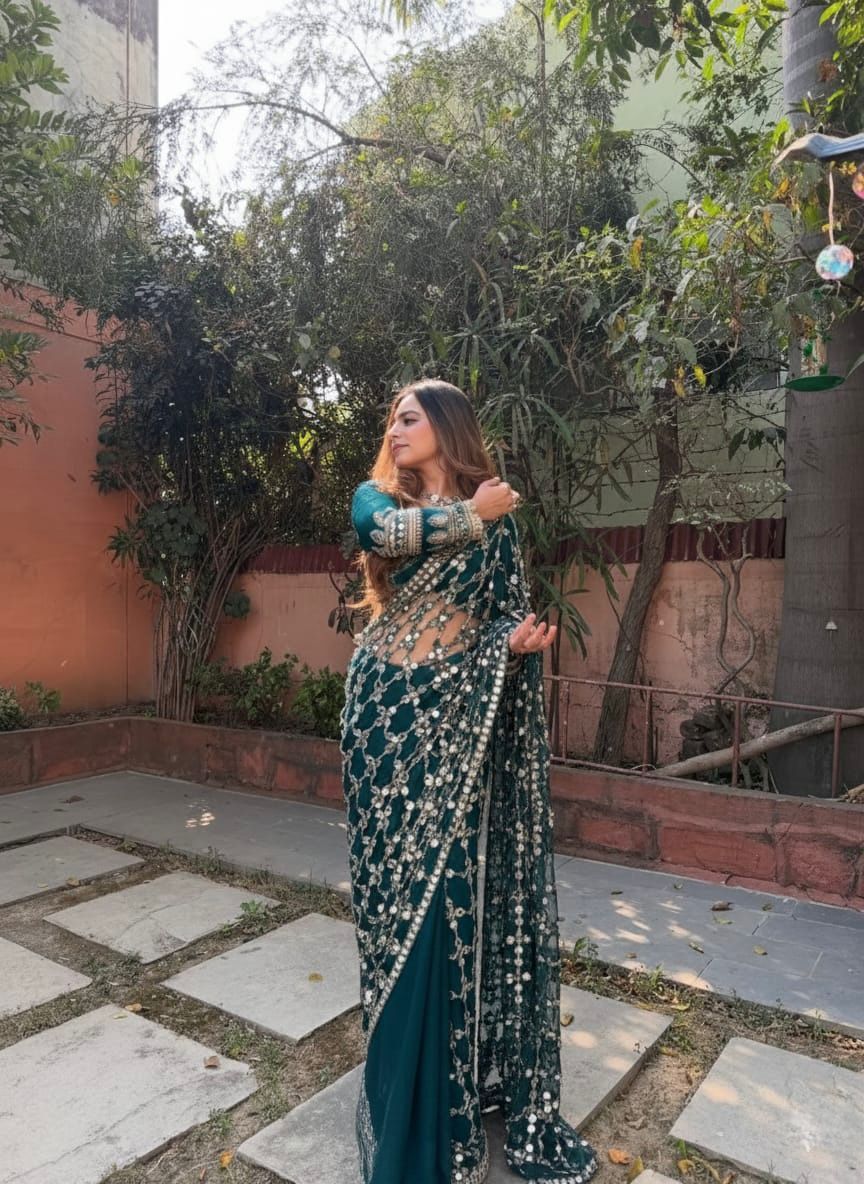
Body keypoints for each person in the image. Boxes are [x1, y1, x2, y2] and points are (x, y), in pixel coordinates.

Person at [340, 379, 598, 1184]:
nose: (395, 429)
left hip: (454, 719)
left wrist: (515, 644)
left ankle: (445, 1093)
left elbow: (503, 613)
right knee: (391, 900)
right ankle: (398, 1091)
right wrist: (472, 514)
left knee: (444, 893)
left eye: (410, 417)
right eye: (393, 419)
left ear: (448, 426)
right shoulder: (377, 500)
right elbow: (386, 535)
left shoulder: (498, 524)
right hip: (382, 720)